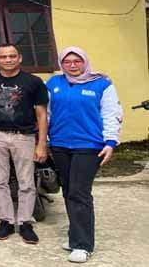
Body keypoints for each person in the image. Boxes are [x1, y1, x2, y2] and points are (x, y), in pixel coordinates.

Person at [46, 46, 123, 263]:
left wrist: (110, 142)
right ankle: (75, 236)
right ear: (61, 64)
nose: (72, 65)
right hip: (60, 144)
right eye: (67, 61)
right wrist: (42, 140)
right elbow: (46, 113)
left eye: (77, 61)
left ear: (84, 62)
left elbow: (111, 114)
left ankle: (83, 244)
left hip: (90, 146)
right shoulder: (53, 84)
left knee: (80, 192)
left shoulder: (102, 84)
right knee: (69, 191)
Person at [0, 43, 48, 244]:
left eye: (12, 56)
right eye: (3, 57)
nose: (8, 60)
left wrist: (41, 144)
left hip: (24, 136)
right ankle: (5, 220)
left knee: (26, 182)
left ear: (20, 58)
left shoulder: (34, 82)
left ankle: (25, 222)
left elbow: (41, 115)